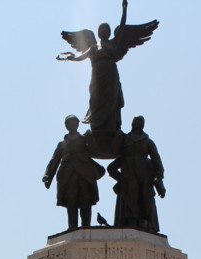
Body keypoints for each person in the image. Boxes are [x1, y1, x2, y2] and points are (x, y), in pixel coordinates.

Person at [57, 0, 159, 143]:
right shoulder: (93, 46)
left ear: (109, 32)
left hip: (111, 73)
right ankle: (97, 125)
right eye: (102, 28)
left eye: (107, 29)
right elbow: (83, 56)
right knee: (96, 98)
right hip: (97, 75)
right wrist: (72, 58)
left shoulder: (114, 42)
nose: (104, 30)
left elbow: (122, 26)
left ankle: (112, 126)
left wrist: (124, 9)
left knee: (111, 98)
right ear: (99, 32)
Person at [43, 115, 105, 231]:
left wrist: (91, 138)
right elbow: (54, 161)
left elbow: (96, 151)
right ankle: (72, 227)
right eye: (69, 123)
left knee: (85, 200)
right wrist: (47, 175)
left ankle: (86, 226)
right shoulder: (62, 144)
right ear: (66, 126)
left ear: (78, 124)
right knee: (71, 201)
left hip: (85, 175)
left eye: (74, 122)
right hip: (68, 176)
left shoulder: (85, 139)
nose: (72, 125)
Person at [108, 115, 165, 232]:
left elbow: (156, 159)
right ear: (132, 123)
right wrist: (121, 179)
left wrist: (159, 177)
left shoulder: (148, 141)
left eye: (140, 122)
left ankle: (147, 221)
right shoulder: (124, 138)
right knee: (131, 196)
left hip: (145, 172)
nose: (137, 123)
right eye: (135, 121)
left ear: (143, 125)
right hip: (128, 170)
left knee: (147, 197)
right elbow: (113, 151)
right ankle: (132, 220)